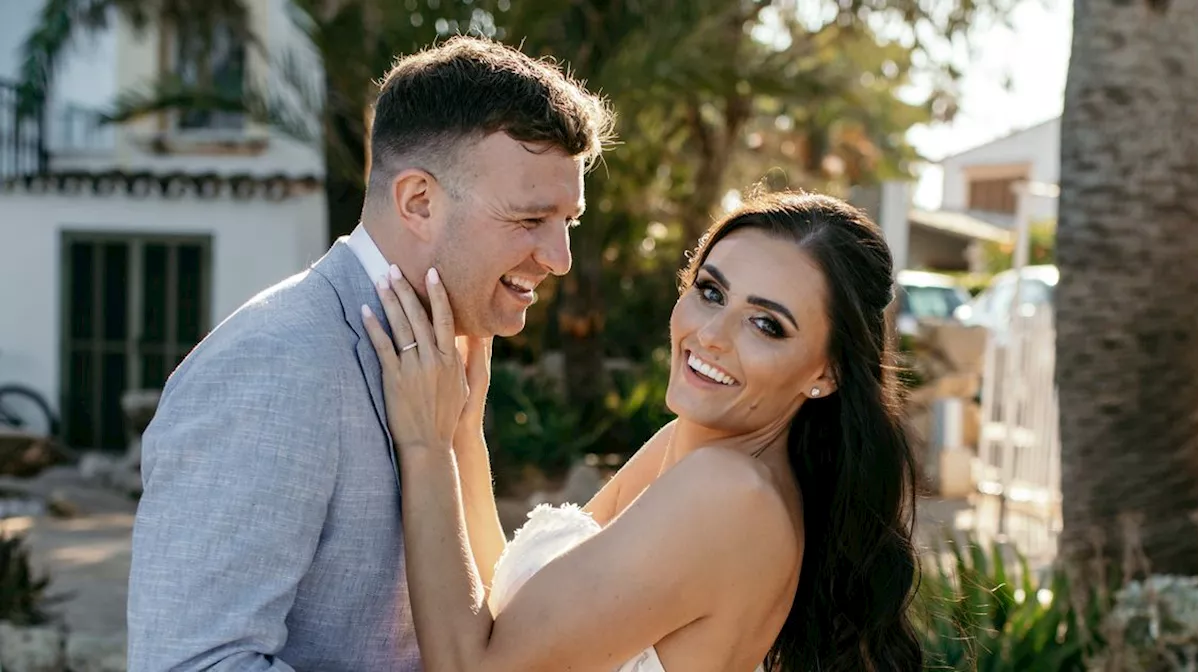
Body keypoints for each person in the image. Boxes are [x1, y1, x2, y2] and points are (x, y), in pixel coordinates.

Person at [126, 36, 613, 671]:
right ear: (419, 202)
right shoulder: (276, 363)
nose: (559, 259)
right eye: (529, 220)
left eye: (567, 223)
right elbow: (190, 663)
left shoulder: (448, 354)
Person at [364, 190, 923, 671]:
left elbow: (471, 666)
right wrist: (463, 425)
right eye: (710, 291)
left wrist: (426, 446)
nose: (711, 335)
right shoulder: (689, 448)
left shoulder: (730, 493)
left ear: (827, 372)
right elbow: (503, 612)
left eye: (766, 325)